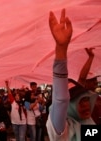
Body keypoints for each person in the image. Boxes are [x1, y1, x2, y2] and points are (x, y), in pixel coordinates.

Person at [46, 9, 98, 140]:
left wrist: (90, 58)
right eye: (80, 102)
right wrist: (61, 49)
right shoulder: (62, 129)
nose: (86, 105)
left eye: (86, 99)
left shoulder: (85, 122)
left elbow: (81, 79)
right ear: (69, 106)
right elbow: (61, 100)